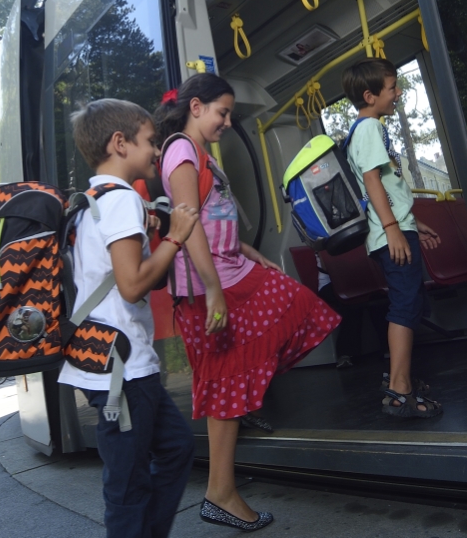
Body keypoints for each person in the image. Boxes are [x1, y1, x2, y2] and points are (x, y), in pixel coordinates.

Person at [155, 74, 340, 532]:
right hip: (210, 287)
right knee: (231, 374)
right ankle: (220, 492)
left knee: (294, 314)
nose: (227, 121)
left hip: (229, 271)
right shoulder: (181, 149)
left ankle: (242, 405)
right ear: (196, 107)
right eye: (222, 112)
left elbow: (218, 222)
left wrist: (250, 252)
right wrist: (213, 286)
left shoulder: (199, 153)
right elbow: (189, 223)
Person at [57, 98, 200, 538]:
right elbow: (134, 285)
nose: (157, 151)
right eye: (151, 141)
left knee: (175, 448)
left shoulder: (89, 200)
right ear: (120, 143)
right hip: (122, 370)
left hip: (115, 362)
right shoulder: (119, 200)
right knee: (126, 485)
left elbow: (134, 281)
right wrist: (175, 239)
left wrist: (157, 243)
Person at [341, 58, 444, 418]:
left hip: (395, 227)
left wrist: (411, 221)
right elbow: (372, 181)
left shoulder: (370, 128)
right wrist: (392, 228)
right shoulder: (368, 128)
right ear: (370, 95)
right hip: (389, 233)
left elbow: (387, 186)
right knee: (405, 305)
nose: (398, 93)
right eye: (392, 87)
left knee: (411, 302)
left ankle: (404, 379)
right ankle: (400, 389)